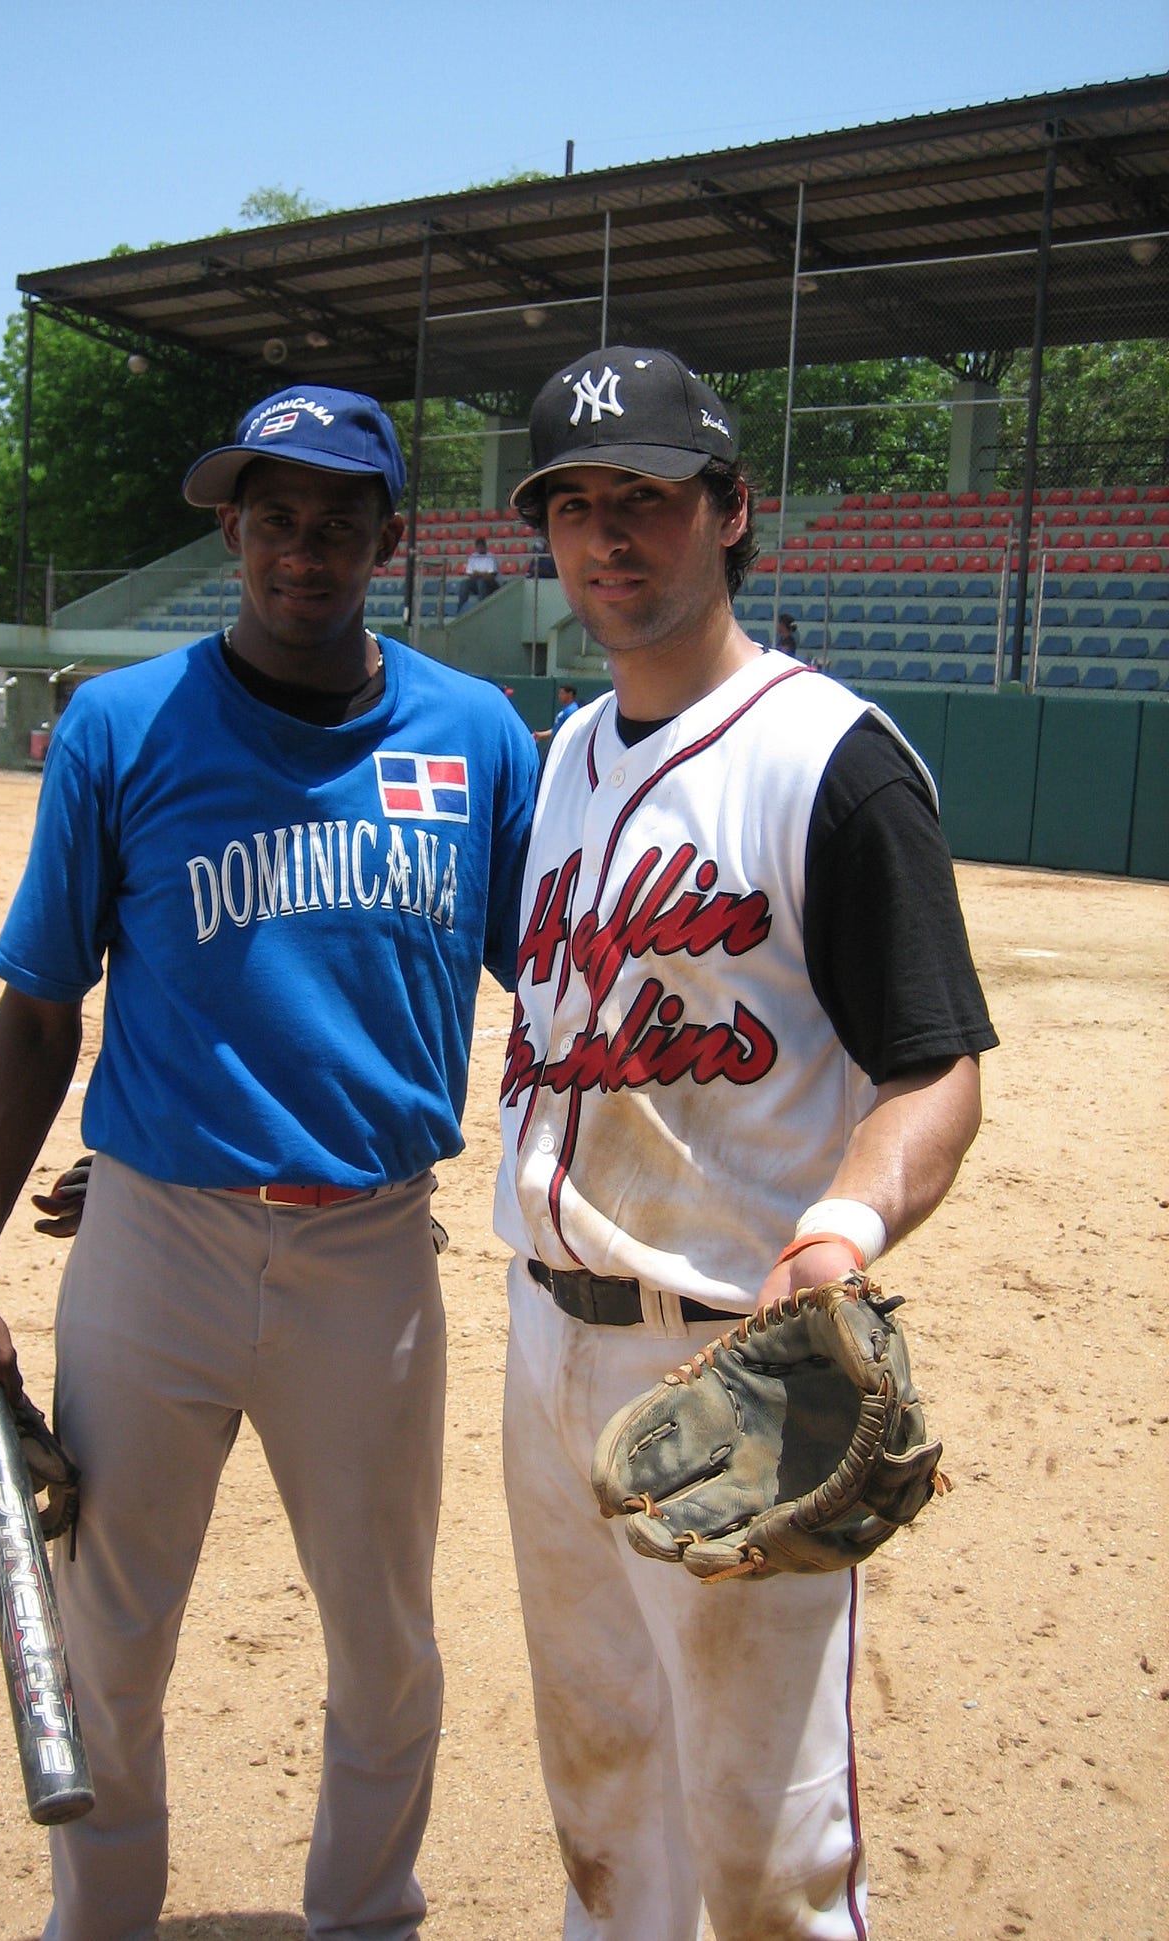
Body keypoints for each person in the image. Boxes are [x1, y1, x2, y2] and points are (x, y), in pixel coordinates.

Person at [0, 384, 538, 1941]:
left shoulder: (475, 734)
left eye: (337, 522)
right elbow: (40, 1011)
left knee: (386, 1643)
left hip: (371, 1256)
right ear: (233, 532)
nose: (301, 551)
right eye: (273, 519)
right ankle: (103, 1921)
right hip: (155, 1248)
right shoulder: (122, 725)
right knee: (109, 1635)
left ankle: (366, 1918)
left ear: (391, 541)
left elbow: (567, 993)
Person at [493, 347, 997, 1941]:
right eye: (573, 503)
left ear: (730, 511)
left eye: (644, 497)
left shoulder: (832, 759)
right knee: (601, 1800)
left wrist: (842, 1229)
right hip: (541, 1336)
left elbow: (936, 1070)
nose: (605, 534)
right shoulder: (568, 753)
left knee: (772, 1855)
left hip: (730, 1365)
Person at [455, 531, 501, 611]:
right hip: (477, 582)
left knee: (481, 581)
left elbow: (491, 576)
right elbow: (470, 575)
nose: (480, 549)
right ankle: (460, 608)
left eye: (481, 547)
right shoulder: (473, 556)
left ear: (485, 546)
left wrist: (478, 574)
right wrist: (481, 574)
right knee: (465, 582)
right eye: (478, 547)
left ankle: (483, 608)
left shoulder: (491, 557)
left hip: (492, 584)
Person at [534, 682, 579, 747]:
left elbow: (570, 732)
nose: (559, 696)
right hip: (557, 745)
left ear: (570, 694)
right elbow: (557, 729)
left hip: (563, 746)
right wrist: (540, 735)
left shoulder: (572, 710)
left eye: (562, 693)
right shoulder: (565, 709)